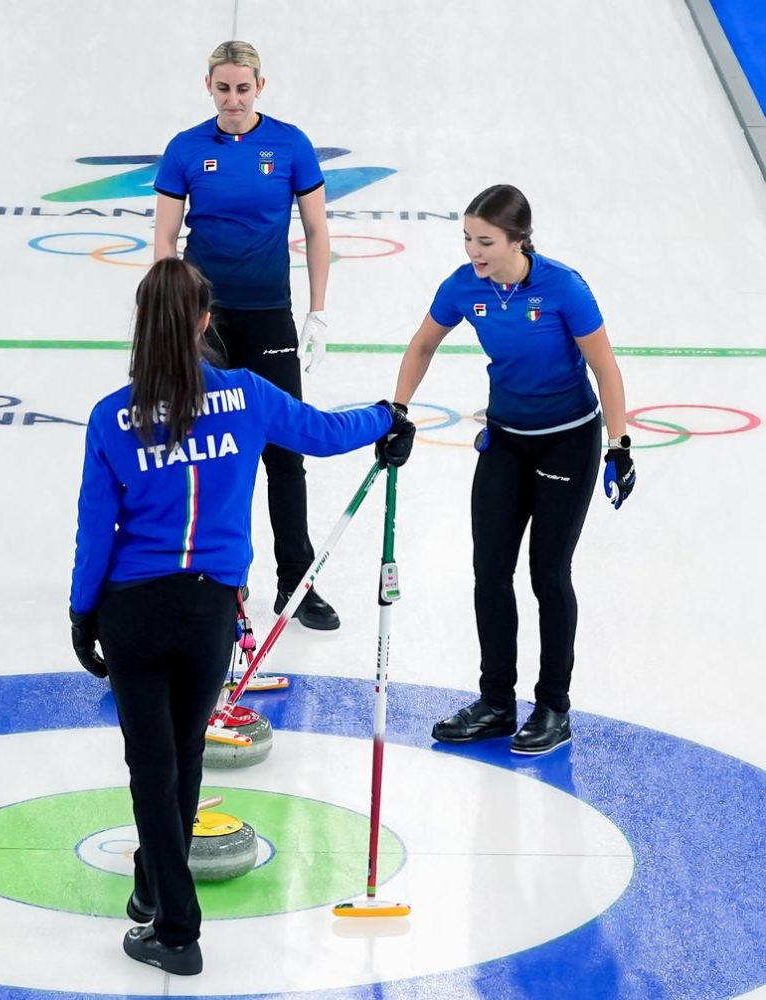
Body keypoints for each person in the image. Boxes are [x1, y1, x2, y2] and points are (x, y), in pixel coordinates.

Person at [68, 258, 414, 975]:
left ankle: (176, 928)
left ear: (141, 324)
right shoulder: (248, 394)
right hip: (209, 613)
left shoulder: (111, 416)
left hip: (134, 610)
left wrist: (81, 610)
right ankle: (151, 889)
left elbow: (95, 530)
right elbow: (323, 432)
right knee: (184, 757)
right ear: (205, 322)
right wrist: (387, 417)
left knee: (151, 768)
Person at [392, 184, 635, 756]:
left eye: (485, 241)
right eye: (467, 239)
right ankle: (497, 703)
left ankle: (553, 707)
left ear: (518, 240)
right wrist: (398, 409)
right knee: (490, 572)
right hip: (505, 440)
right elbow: (422, 345)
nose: (473, 251)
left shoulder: (563, 287)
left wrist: (619, 444)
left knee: (548, 574)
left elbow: (605, 368)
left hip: (567, 442)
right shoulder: (463, 287)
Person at [152, 40, 341, 630]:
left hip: (268, 315)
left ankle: (296, 583)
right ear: (208, 86)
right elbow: (165, 241)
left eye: (242, 88)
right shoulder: (186, 149)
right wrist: (172, 315)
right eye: (222, 88)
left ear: (261, 86)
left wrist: (317, 311)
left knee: (285, 452)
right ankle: (215, 580)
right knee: (208, 451)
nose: (232, 100)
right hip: (203, 322)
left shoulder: (290, 145)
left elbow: (316, 230)